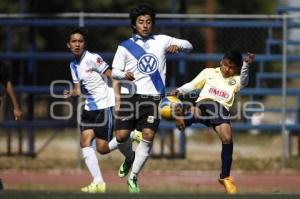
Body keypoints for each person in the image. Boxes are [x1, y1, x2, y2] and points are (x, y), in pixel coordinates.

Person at [111, 4, 193, 193]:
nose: (145, 25)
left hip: (155, 98)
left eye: (148, 22)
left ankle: (133, 177)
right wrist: (124, 75)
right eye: (141, 22)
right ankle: (130, 157)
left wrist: (178, 48)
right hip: (130, 96)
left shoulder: (162, 40)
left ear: (153, 23)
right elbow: (114, 71)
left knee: (147, 136)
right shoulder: (124, 46)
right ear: (134, 25)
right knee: (121, 137)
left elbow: (189, 45)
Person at [64, 27, 141, 193]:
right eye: (74, 41)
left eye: (80, 41)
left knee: (102, 149)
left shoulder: (93, 58)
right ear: (68, 45)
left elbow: (112, 74)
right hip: (88, 108)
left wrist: (122, 82)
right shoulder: (72, 65)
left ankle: (132, 134)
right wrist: (71, 92)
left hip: (103, 107)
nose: (77, 44)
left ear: (85, 44)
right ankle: (98, 182)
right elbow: (78, 90)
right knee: (87, 144)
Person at [171, 50, 255, 194]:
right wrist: (179, 91)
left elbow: (245, 81)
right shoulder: (209, 72)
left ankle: (225, 177)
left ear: (236, 69)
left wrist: (246, 65)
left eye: (232, 68)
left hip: (221, 109)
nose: (227, 69)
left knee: (227, 137)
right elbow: (193, 85)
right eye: (226, 65)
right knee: (197, 112)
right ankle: (183, 120)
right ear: (221, 61)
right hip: (205, 103)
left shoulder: (236, 80)